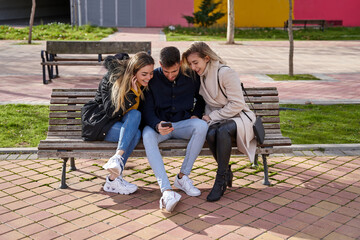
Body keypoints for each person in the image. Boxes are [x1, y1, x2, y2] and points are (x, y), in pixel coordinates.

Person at [182, 42, 257, 202]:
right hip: (220, 118)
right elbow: (206, 103)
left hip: (240, 117)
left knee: (222, 131)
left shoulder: (225, 73)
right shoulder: (201, 77)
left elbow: (237, 104)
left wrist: (212, 117)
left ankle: (220, 179)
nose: (193, 67)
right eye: (190, 64)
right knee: (210, 132)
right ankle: (226, 171)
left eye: (195, 62)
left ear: (207, 58)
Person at [141, 46, 208, 212]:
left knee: (201, 126)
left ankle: (182, 177)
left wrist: (196, 114)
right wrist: (156, 124)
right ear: (160, 64)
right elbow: (146, 108)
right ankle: (166, 189)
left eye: (174, 71)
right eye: (165, 71)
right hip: (160, 127)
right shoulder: (153, 78)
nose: (170, 76)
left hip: (182, 124)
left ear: (179, 64)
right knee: (147, 134)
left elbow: (200, 99)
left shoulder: (191, 76)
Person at [81, 52, 154, 195]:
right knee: (135, 133)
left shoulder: (143, 84)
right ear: (134, 71)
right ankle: (115, 178)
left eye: (151, 73)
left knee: (136, 118)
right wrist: (132, 94)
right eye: (144, 74)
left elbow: (138, 115)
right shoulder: (112, 79)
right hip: (100, 123)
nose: (149, 77)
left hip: (120, 125)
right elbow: (110, 112)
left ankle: (114, 174)